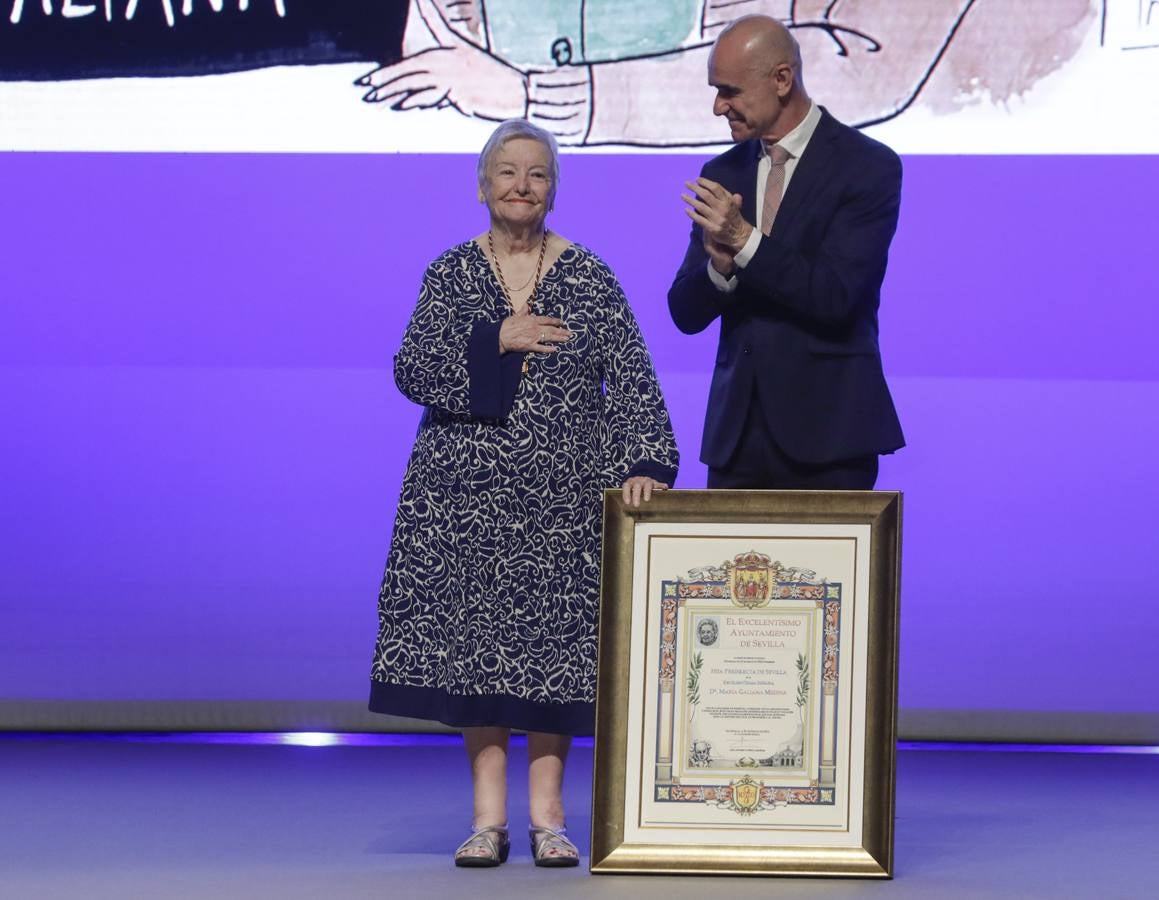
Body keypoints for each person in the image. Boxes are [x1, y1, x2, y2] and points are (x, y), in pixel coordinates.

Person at [368, 119, 678, 868]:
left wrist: (643, 460)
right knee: (477, 656)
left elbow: (632, 374)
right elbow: (413, 368)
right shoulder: (449, 273)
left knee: (554, 656)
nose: (521, 185)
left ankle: (548, 819)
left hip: (562, 499)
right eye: (507, 172)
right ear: (483, 185)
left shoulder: (590, 275)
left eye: (537, 174)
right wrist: (495, 340)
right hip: (465, 498)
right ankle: (486, 821)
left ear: (553, 189)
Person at [667, 15, 905, 490]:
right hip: (736, 442)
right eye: (716, 90)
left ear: (782, 79)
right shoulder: (722, 171)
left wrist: (744, 241)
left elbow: (836, 297)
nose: (718, 107)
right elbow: (685, 313)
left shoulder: (867, 168)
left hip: (831, 439)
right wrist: (718, 269)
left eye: (729, 90)